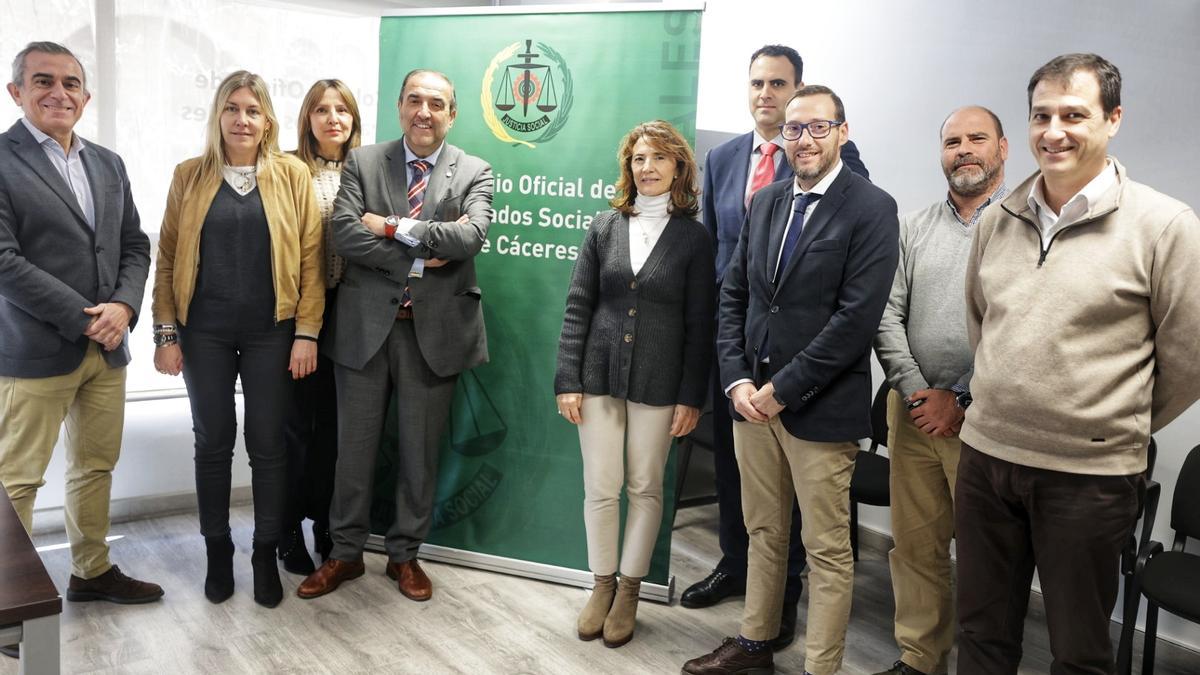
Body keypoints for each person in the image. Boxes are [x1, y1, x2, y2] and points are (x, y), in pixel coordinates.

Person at [956, 53, 1200, 674]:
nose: (1053, 131)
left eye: (1074, 114)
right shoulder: (999, 219)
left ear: (1113, 118)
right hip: (986, 460)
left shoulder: (1164, 225)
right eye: (1042, 115)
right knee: (981, 636)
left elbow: (1189, 357)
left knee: (1079, 653)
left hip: (1088, 478)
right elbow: (982, 323)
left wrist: (1110, 420)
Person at [684, 85, 899, 675]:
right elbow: (736, 296)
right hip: (750, 402)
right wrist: (736, 382)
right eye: (794, 129)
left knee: (826, 550)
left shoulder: (872, 208)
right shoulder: (769, 200)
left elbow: (855, 321)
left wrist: (781, 391)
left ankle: (819, 667)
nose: (803, 140)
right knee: (763, 532)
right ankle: (754, 645)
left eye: (818, 128)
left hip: (817, 410)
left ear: (843, 132)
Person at [297, 69, 493, 603]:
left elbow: (470, 237)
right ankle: (344, 554)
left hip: (435, 336)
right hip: (363, 331)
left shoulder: (475, 170)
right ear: (400, 107)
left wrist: (388, 226)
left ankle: (406, 556)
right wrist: (421, 260)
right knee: (352, 453)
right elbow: (342, 232)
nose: (423, 111)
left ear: (451, 114)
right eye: (414, 100)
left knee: (419, 454)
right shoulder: (363, 162)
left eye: (436, 103)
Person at [0, 41, 162, 658]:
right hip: (35, 349)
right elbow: (4, 261)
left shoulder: (108, 162)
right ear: (17, 91)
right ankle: (7, 602)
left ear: (86, 97)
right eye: (43, 81)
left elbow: (133, 245)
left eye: (71, 83)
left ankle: (92, 572)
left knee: (94, 467)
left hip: (107, 349)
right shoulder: (2, 158)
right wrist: (85, 317)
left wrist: (122, 307)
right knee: (17, 481)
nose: (58, 93)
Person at [152, 70, 323, 608]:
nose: (241, 119)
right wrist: (164, 333)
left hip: (274, 331)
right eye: (232, 108)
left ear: (267, 118)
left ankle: (263, 552)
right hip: (203, 331)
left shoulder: (293, 175)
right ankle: (218, 551)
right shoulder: (189, 175)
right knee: (213, 443)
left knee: (269, 446)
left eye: (252, 109)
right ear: (218, 115)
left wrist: (307, 333)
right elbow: (167, 258)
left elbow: (313, 262)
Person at [555, 120, 715, 648]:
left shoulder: (694, 238)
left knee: (645, 487)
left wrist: (692, 395)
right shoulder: (604, 226)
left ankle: (629, 589)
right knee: (601, 487)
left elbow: (700, 325)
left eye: (659, 159)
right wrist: (567, 380)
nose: (647, 168)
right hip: (598, 375)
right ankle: (600, 586)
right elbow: (579, 304)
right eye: (639, 159)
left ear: (679, 168)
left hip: (661, 380)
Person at [871, 106, 1008, 675]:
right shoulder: (915, 227)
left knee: (985, 558)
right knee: (915, 548)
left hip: (987, 422)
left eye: (977, 138)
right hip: (913, 412)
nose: (964, 150)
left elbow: (1021, 327)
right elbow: (886, 313)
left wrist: (961, 396)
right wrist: (916, 389)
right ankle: (920, 658)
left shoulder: (1023, 226)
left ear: (1003, 149)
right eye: (952, 141)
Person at [277, 79, 363, 575]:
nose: (333, 118)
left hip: (351, 315)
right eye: (321, 110)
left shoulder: (369, 169)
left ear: (354, 119)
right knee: (292, 429)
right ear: (307, 118)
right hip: (295, 318)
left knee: (335, 432)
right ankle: (285, 529)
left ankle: (328, 526)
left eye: (342, 110)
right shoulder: (286, 169)